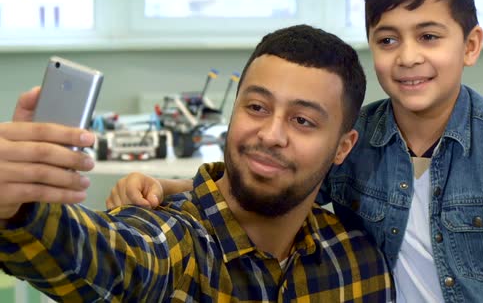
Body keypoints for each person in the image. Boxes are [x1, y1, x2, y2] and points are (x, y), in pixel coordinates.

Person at [108, 0, 483, 302]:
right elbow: (285, 186)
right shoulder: (354, 140)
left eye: (429, 36)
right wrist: (167, 189)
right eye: (388, 39)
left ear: (470, 45)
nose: (407, 57)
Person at [0, 25, 394, 302]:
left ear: (343, 148)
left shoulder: (358, 261)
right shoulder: (176, 242)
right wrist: (17, 209)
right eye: (256, 107)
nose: (271, 134)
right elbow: (107, 255)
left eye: (302, 120)